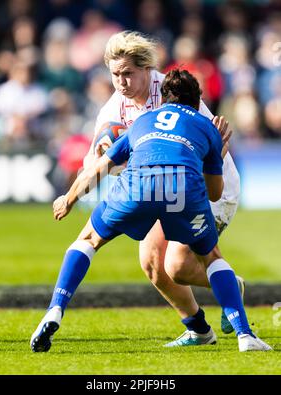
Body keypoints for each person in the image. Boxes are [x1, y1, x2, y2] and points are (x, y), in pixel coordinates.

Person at [30, 69, 271, 352]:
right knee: (211, 257)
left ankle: (55, 308)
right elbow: (214, 193)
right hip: (183, 191)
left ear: (164, 99)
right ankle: (245, 336)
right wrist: (214, 156)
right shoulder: (208, 126)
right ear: (198, 100)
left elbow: (98, 168)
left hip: (137, 186)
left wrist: (68, 198)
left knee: (88, 241)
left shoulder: (142, 121)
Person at [86, 31, 243, 344]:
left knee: (178, 267)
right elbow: (97, 160)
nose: (120, 82)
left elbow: (216, 143)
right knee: (152, 264)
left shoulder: (176, 92)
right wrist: (100, 164)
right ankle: (199, 329)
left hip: (209, 187)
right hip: (166, 190)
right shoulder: (113, 111)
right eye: (115, 74)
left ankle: (230, 285)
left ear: (147, 70)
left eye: (128, 73)